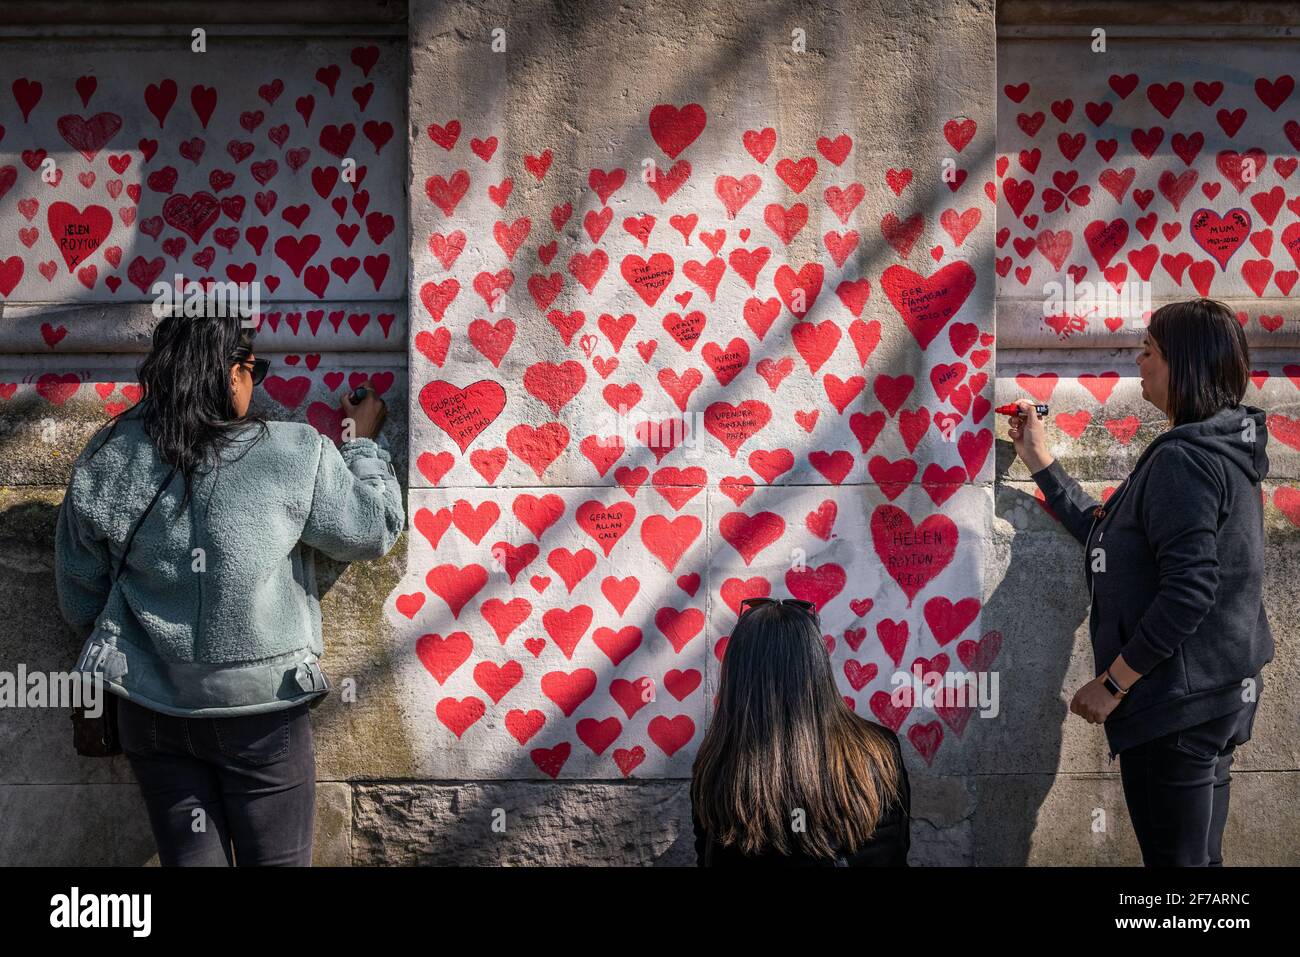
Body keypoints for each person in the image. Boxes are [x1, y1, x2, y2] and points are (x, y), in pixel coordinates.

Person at [54, 313, 404, 866]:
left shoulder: (107, 457)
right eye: (253, 367)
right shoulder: (293, 453)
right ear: (232, 375)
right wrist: (360, 445)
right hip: (261, 714)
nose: (254, 380)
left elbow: (79, 599)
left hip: (148, 709)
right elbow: (373, 528)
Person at [1007, 297, 1273, 866]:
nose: (1139, 361)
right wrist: (1043, 465)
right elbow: (1113, 538)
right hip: (1215, 698)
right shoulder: (1224, 448)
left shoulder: (1184, 460)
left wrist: (1113, 684)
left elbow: (1189, 593)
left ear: (1186, 363)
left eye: (1149, 351)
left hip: (1176, 709)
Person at [690, 597, 911, 866]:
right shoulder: (881, 751)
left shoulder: (716, 764)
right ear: (817, 666)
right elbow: (898, 851)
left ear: (737, 677)